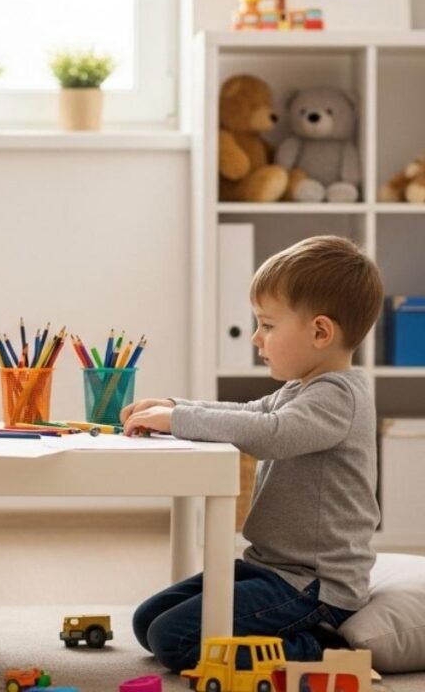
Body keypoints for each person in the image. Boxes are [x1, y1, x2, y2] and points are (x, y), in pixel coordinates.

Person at [123, 235, 384, 672]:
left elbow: (270, 434)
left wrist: (179, 421)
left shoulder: (339, 396)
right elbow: (250, 412)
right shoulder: (302, 388)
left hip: (313, 587)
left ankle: (319, 649)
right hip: (271, 568)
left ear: (320, 331)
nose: (256, 338)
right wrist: (176, 408)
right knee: (147, 621)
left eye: (268, 325)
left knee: (175, 639)